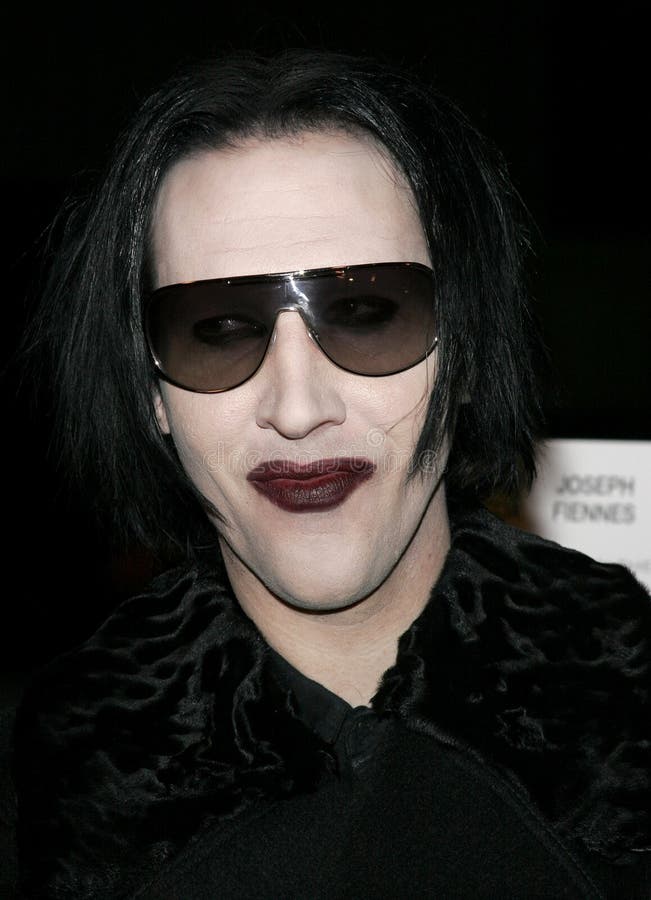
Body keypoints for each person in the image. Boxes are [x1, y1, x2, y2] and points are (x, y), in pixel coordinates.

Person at [3, 47, 650, 899]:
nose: (298, 407)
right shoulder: (42, 791)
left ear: (463, 352)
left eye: (366, 313)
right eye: (218, 329)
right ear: (151, 390)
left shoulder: (625, 723)